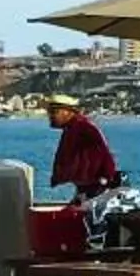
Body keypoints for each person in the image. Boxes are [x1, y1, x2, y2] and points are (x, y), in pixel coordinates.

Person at [39, 94, 130, 253]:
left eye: (54, 112)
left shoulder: (84, 128)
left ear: (67, 112)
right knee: (71, 225)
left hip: (97, 188)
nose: (50, 116)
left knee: (85, 229)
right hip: (88, 188)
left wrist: (104, 178)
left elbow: (104, 152)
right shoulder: (73, 129)